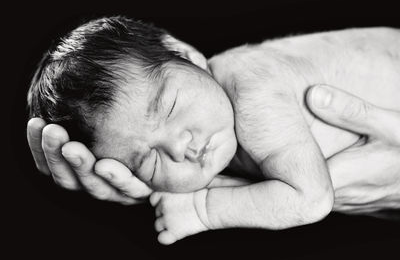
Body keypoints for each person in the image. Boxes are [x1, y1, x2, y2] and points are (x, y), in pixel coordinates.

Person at [26, 16, 400, 244]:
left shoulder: (252, 86)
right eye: (148, 160)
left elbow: (310, 200)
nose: (180, 147)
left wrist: (204, 209)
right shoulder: (221, 130)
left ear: (188, 55)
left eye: (170, 107)